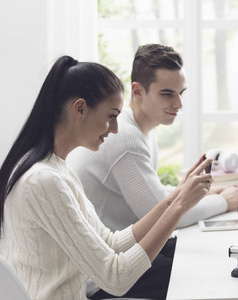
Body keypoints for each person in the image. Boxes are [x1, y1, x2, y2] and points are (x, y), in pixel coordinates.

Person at [0, 55, 213, 300]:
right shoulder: (43, 181)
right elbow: (116, 279)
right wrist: (179, 206)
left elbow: (110, 241)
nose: (115, 129)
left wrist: (178, 194)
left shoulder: (58, 169)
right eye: (111, 116)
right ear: (79, 109)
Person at [68, 44, 238, 234]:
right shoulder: (125, 137)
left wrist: (200, 193)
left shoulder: (143, 130)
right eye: (167, 94)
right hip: (117, 255)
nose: (179, 104)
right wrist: (224, 201)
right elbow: (165, 216)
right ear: (138, 91)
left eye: (181, 93)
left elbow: (155, 196)